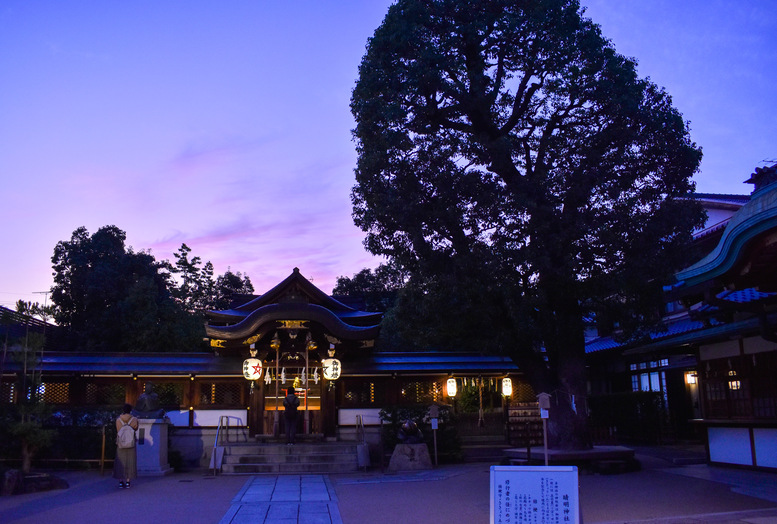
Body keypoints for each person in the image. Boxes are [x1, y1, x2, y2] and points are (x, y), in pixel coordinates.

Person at [114, 403, 139, 489]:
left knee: (120, 462)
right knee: (130, 462)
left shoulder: (118, 420)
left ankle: (121, 481)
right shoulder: (134, 419)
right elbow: (136, 428)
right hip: (131, 442)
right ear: (130, 410)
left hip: (121, 442)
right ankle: (128, 481)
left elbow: (117, 430)